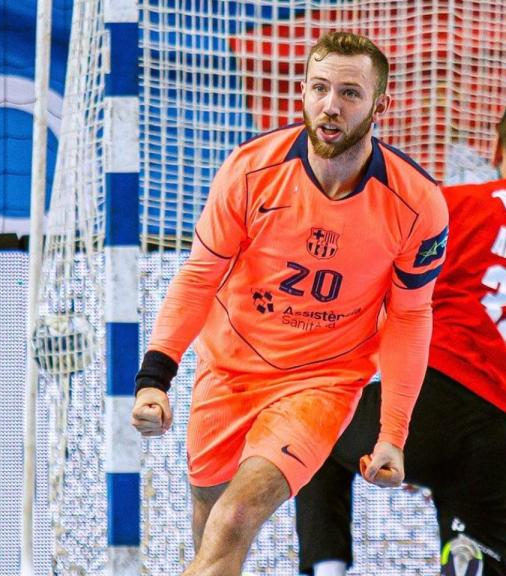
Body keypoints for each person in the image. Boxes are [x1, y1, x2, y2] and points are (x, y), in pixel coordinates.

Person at [129, 32, 448, 576]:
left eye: (350, 93)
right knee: (211, 537)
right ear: (301, 92)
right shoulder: (250, 171)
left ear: (380, 105)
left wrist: (393, 435)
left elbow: (411, 316)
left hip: (321, 381)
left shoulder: (417, 204)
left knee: (234, 520)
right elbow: (200, 275)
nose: (331, 105)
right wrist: (155, 377)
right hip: (228, 371)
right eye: (320, 88)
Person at [295, 94, 506, 576]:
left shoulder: (455, 204)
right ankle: (469, 554)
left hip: (431, 400)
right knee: (480, 547)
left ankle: (327, 566)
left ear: (497, 147)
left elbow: (387, 295)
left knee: (311, 420)